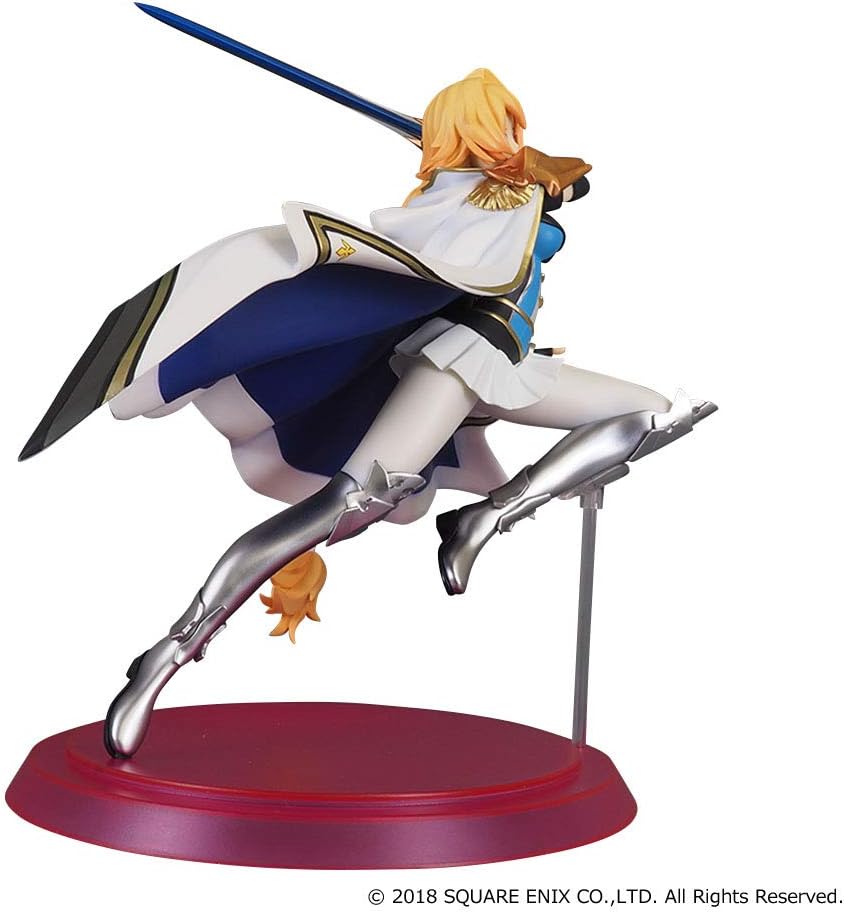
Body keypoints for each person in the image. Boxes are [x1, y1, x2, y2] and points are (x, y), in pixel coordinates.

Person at [20, 69, 714, 758]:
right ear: (472, 132)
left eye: (515, 126)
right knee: (343, 508)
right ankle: (169, 654)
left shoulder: (504, 188)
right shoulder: (461, 197)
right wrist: (523, 180)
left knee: (657, 413)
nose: (514, 135)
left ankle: (485, 517)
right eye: (502, 124)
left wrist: (537, 176)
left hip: (509, 362)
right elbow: (458, 246)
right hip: (456, 363)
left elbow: (572, 182)